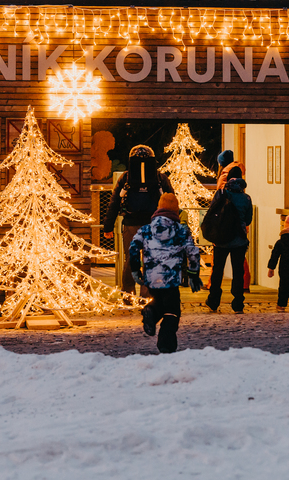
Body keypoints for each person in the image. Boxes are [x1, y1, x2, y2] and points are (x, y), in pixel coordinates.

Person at [129, 193, 202, 353]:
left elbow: (133, 248)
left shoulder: (146, 229)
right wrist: (193, 273)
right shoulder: (181, 230)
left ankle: (151, 311)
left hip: (151, 278)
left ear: (158, 208)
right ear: (176, 210)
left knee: (160, 302)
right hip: (171, 278)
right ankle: (166, 343)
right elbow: (193, 252)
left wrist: (135, 269)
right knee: (172, 310)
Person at [104, 145, 174, 294]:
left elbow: (114, 202)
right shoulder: (160, 178)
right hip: (154, 224)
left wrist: (108, 227)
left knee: (131, 259)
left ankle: (128, 294)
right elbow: (171, 200)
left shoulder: (126, 177)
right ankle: (147, 295)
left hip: (131, 223)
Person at [205, 165, 252, 313]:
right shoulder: (246, 198)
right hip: (239, 240)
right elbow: (248, 219)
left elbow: (212, 212)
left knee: (217, 270)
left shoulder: (221, 194)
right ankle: (238, 302)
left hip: (221, 239)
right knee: (238, 271)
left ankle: (213, 300)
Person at [212, 150, 251, 291]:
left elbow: (215, 208)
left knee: (218, 265)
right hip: (239, 233)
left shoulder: (223, 183)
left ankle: (214, 293)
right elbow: (248, 218)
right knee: (238, 265)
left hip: (223, 230)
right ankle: (241, 291)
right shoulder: (245, 197)